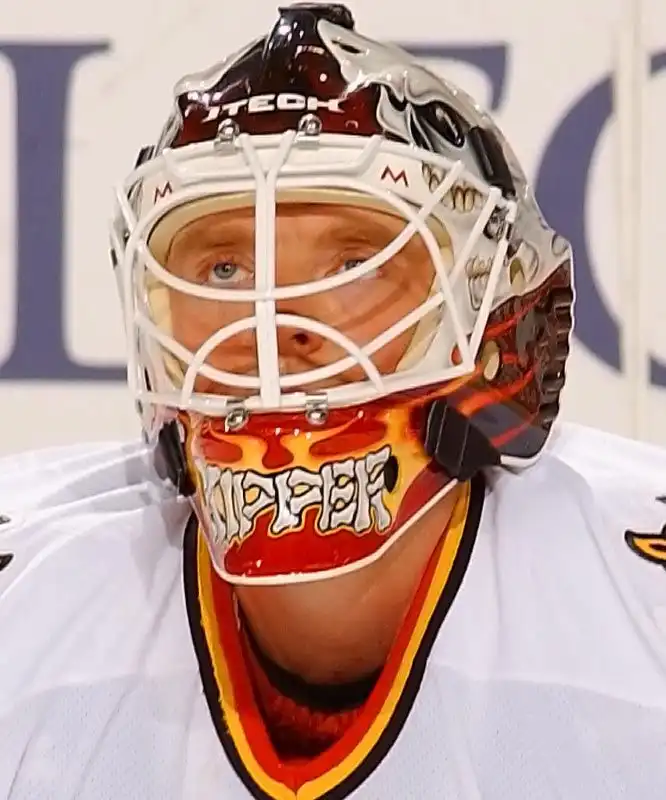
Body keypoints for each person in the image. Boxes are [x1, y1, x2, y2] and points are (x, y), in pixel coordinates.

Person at [1, 3, 666, 798]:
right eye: (223, 269)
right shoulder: (25, 599)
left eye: (356, 262)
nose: (274, 321)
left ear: (492, 315)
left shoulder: (639, 609)